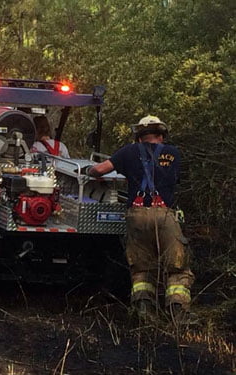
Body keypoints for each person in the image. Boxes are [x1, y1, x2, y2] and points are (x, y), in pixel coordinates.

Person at [86, 115, 194, 323]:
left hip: (136, 216)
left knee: (142, 269)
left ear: (138, 137)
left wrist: (89, 170)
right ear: (161, 136)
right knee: (177, 267)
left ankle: (144, 313)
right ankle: (178, 314)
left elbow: (99, 170)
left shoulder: (128, 151)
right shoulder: (173, 153)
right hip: (165, 216)